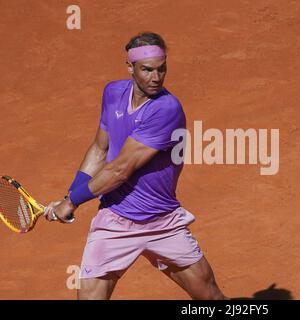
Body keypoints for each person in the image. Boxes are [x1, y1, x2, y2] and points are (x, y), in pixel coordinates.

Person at [44, 32, 227, 300]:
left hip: (162, 222)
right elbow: (100, 148)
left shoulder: (166, 109)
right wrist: (68, 196)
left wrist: (72, 202)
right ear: (130, 67)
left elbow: (119, 170)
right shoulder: (113, 93)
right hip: (114, 221)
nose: (156, 77)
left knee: (210, 298)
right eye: (147, 70)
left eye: (161, 69)